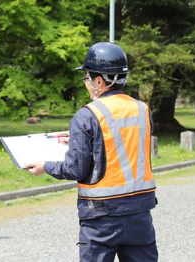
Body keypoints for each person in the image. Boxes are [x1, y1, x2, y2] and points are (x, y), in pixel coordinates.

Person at [26, 42, 158, 262]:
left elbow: (75, 168)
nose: (86, 82)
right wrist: (86, 140)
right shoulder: (142, 109)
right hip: (139, 213)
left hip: (101, 218)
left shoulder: (86, 116)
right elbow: (126, 141)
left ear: (99, 81)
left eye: (87, 77)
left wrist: (44, 167)